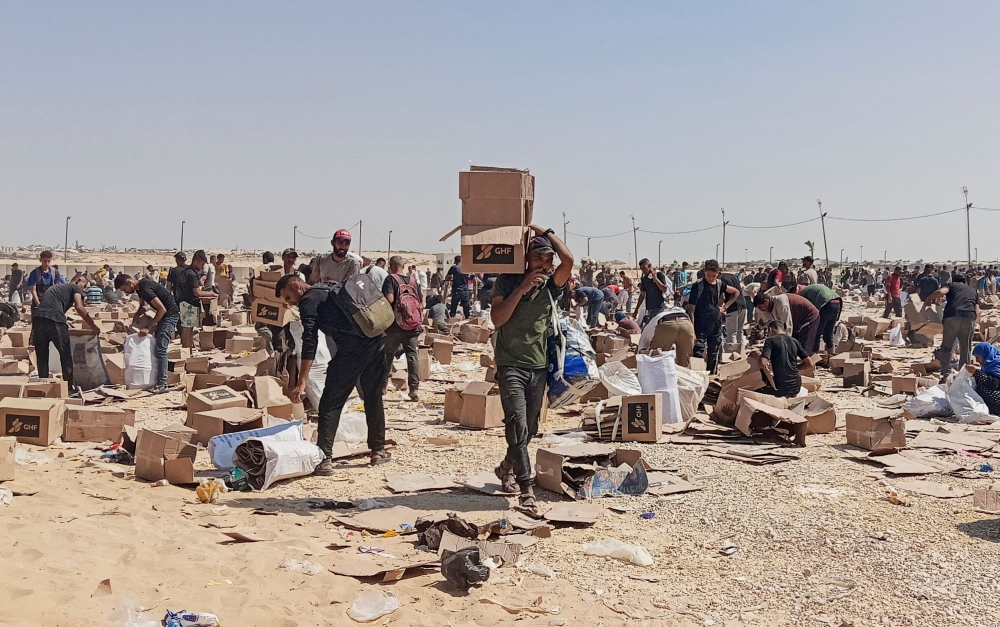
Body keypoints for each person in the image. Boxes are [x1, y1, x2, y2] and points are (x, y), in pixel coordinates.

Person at [491, 226, 573, 513]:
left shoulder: (552, 286)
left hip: (538, 365)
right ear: (526, 258)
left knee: (531, 427)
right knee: (516, 423)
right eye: (539, 258)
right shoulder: (507, 281)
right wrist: (523, 288)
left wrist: (547, 231)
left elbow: (569, 260)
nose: (545, 264)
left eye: (548, 259)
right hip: (509, 362)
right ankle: (526, 488)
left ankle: (506, 467)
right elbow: (498, 318)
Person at [278, 274, 390, 474]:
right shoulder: (327, 286)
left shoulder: (308, 301)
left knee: (331, 401)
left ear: (296, 285)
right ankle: (378, 451)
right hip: (376, 341)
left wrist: (302, 380)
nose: (290, 303)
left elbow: (310, 342)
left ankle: (324, 458)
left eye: (288, 297)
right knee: (373, 396)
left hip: (352, 350)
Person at [115, 273, 180, 394]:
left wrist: (147, 327)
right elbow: (143, 305)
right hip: (163, 315)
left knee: (161, 347)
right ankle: (156, 379)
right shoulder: (140, 289)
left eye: (125, 289)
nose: (127, 293)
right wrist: (135, 319)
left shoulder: (145, 288)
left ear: (130, 282)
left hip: (170, 315)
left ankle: (162, 383)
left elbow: (162, 309)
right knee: (155, 346)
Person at [32, 275, 100, 388]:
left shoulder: (56, 287)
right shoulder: (75, 288)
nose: (84, 289)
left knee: (42, 355)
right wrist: (93, 326)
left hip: (38, 318)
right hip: (55, 320)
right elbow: (79, 307)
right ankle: (68, 387)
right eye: (85, 286)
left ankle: (42, 386)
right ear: (79, 281)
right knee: (65, 354)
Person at [687, 259, 741, 374]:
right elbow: (692, 309)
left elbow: (736, 292)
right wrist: (692, 327)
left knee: (713, 352)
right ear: (704, 272)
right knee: (698, 350)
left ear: (717, 274)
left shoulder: (720, 284)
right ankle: (698, 375)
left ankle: (711, 377)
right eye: (708, 275)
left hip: (715, 323)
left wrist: (725, 307)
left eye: (713, 275)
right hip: (700, 323)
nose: (711, 278)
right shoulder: (698, 286)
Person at [382, 256, 423, 402]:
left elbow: (390, 299)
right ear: (403, 266)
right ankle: (414, 389)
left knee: (388, 355)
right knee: (412, 356)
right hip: (412, 325)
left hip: (395, 326)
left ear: (391, 265)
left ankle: (383, 386)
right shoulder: (413, 280)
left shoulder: (390, 279)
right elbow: (420, 301)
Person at [926, 274, 978, 380]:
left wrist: (928, 298)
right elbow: (977, 310)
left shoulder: (951, 285)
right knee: (965, 348)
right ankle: (965, 373)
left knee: (947, 346)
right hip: (969, 317)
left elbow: (941, 292)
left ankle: (946, 372)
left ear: (953, 281)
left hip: (952, 316)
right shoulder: (973, 290)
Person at [753, 292, 821, 356]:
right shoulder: (769, 307)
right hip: (797, 321)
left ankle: (805, 365)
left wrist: (783, 347)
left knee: (803, 345)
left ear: (766, 301)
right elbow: (773, 327)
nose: (761, 310)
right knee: (794, 344)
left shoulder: (781, 303)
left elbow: (787, 327)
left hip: (808, 316)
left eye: (760, 307)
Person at [174, 250, 215, 349]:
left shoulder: (186, 271)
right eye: (201, 264)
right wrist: (212, 294)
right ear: (196, 261)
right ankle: (186, 350)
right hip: (189, 304)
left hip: (183, 302)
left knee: (186, 329)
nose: (202, 267)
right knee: (188, 330)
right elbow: (198, 292)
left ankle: (186, 350)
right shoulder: (191, 274)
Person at [759, 320, 809, 398]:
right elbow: (809, 364)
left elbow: (763, 363)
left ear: (770, 329)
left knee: (756, 386)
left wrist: (758, 355)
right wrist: (793, 369)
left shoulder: (770, 341)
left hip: (779, 388)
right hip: (796, 388)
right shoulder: (795, 341)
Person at [798, 283, 842, 354]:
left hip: (826, 304)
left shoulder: (802, 293)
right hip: (837, 303)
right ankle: (831, 358)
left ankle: (814, 358)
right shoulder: (811, 289)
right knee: (829, 333)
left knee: (816, 332)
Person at [27, 250, 65, 317]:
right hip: (39, 301)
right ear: (40, 260)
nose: (47, 263)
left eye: (48, 261)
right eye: (45, 261)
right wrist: (38, 304)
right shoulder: (35, 273)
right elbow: (33, 290)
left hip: (51, 302)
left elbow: (56, 288)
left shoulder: (54, 272)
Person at [634, 258, 671, 325]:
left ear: (649, 265)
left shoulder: (659, 275)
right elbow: (642, 295)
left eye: (644, 268)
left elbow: (664, 289)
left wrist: (656, 279)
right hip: (649, 308)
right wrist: (636, 310)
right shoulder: (644, 279)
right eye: (641, 269)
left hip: (659, 307)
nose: (643, 271)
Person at [967, 343, 1000, 416]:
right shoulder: (987, 365)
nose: (977, 360)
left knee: (983, 389)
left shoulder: (996, 364)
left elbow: (994, 384)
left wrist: (976, 372)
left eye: (978, 357)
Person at [720, 269, 747, 344]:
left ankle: (732, 352)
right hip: (743, 305)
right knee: (739, 331)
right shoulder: (733, 276)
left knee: (731, 333)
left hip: (732, 307)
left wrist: (720, 308)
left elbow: (722, 297)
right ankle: (740, 351)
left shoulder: (721, 280)